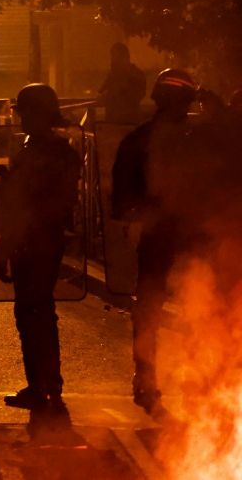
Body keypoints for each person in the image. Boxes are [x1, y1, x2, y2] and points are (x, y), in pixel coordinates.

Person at [111, 69, 199, 417]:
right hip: (183, 236)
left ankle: (147, 381)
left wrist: (135, 218)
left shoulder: (139, 140)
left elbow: (121, 197)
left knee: (151, 310)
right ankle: (191, 385)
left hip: (166, 237)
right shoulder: (195, 141)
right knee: (192, 308)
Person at [0, 84, 82, 413]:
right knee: (41, 312)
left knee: (31, 313)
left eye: (25, 113)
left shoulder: (34, 155)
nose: (21, 120)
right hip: (50, 239)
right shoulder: (64, 152)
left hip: (31, 241)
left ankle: (40, 385)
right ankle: (48, 383)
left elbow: (19, 208)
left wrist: (4, 250)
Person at [98, 43, 146, 124]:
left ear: (125, 57)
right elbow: (101, 92)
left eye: (116, 57)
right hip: (112, 121)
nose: (113, 60)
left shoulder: (137, 75)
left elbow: (136, 96)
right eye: (113, 57)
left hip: (129, 122)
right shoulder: (113, 74)